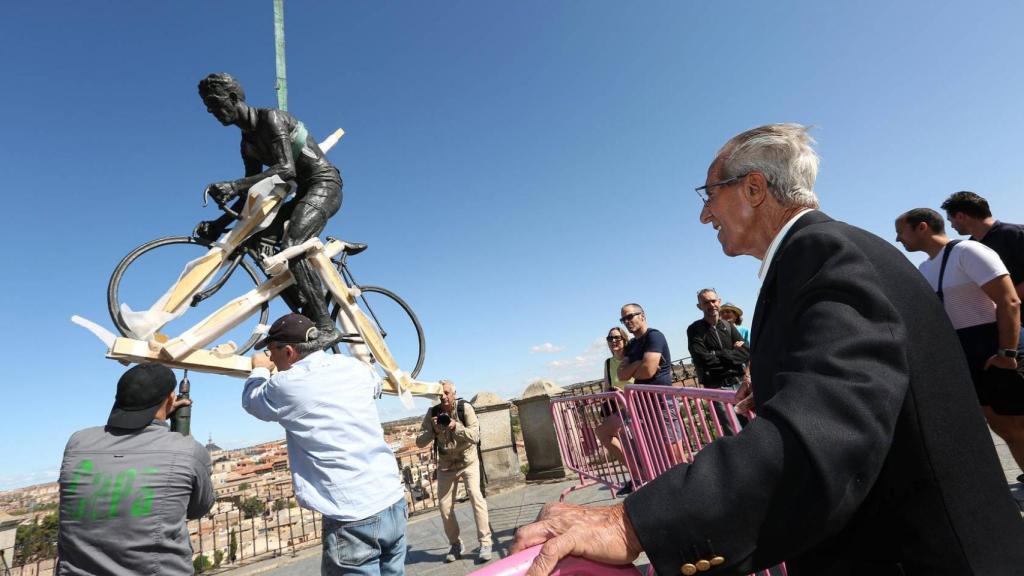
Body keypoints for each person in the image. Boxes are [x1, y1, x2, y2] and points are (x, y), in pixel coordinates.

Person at [512, 123, 1024, 576]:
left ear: (754, 188)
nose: (704, 214)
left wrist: (632, 522)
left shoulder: (824, 255)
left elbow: (826, 429)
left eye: (709, 194)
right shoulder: (820, 255)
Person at [242, 313, 407, 576]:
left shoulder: (286, 384)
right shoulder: (351, 366)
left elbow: (252, 400)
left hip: (353, 515)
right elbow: (375, 385)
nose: (270, 357)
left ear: (288, 351)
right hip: (392, 501)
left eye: (271, 351)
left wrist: (259, 368)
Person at [196, 73, 345, 348]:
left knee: (292, 244)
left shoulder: (271, 119)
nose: (213, 112)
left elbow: (285, 168)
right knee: (257, 242)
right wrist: (217, 225)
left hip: (324, 185)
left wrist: (234, 185)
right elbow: (251, 194)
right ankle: (306, 308)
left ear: (232, 98)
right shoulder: (248, 144)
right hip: (304, 192)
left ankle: (326, 327)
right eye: (208, 108)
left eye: (215, 104)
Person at [895, 207, 1024, 483]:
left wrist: (1007, 354)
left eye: (900, 231)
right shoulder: (925, 268)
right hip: (966, 352)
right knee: (1002, 426)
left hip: (995, 346)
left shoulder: (969, 252)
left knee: (1015, 424)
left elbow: (1009, 301)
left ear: (922, 227)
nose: (897, 239)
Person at [57, 363, 214, 575]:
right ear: (170, 399)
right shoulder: (188, 451)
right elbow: (197, 508)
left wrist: (154, 419)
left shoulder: (77, 443)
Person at [415, 380, 492, 564]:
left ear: (454, 393)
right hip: (446, 465)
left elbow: (475, 436)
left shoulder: (465, 408)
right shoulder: (432, 413)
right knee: (444, 506)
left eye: (447, 393)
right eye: (440, 394)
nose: (443, 397)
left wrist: (454, 426)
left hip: (468, 461)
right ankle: (455, 544)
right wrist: (433, 431)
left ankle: (485, 542)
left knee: (476, 496)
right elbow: (419, 442)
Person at [941, 191, 1024, 355]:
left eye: (951, 220)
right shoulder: (968, 249)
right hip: (1002, 333)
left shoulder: (1016, 234)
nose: (951, 226)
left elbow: (1007, 298)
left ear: (961, 216)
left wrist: (1006, 301)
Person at [686, 288, 750, 435]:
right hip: (718, 388)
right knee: (734, 432)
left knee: (752, 426)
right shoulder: (694, 330)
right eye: (706, 302)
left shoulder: (728, 326)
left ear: (719, 301)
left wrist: (718, 354)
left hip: (740, 384)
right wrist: (733, 355)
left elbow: (746, 353)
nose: (711, 305)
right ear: (699, 306)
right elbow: (704, 359)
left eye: (713, 301)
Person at [594, 326, 635, 495]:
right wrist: (610, 393)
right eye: (610, 339)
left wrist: (624, 393)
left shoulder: (633, 358)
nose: (614, 341)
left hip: (635, 405)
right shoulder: (608, 363)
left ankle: (640, 474)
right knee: (604, 433)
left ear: (624, 339)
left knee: (631, 442)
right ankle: (636, 472)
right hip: (618, 408)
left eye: (617, 337)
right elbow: (605, 387)